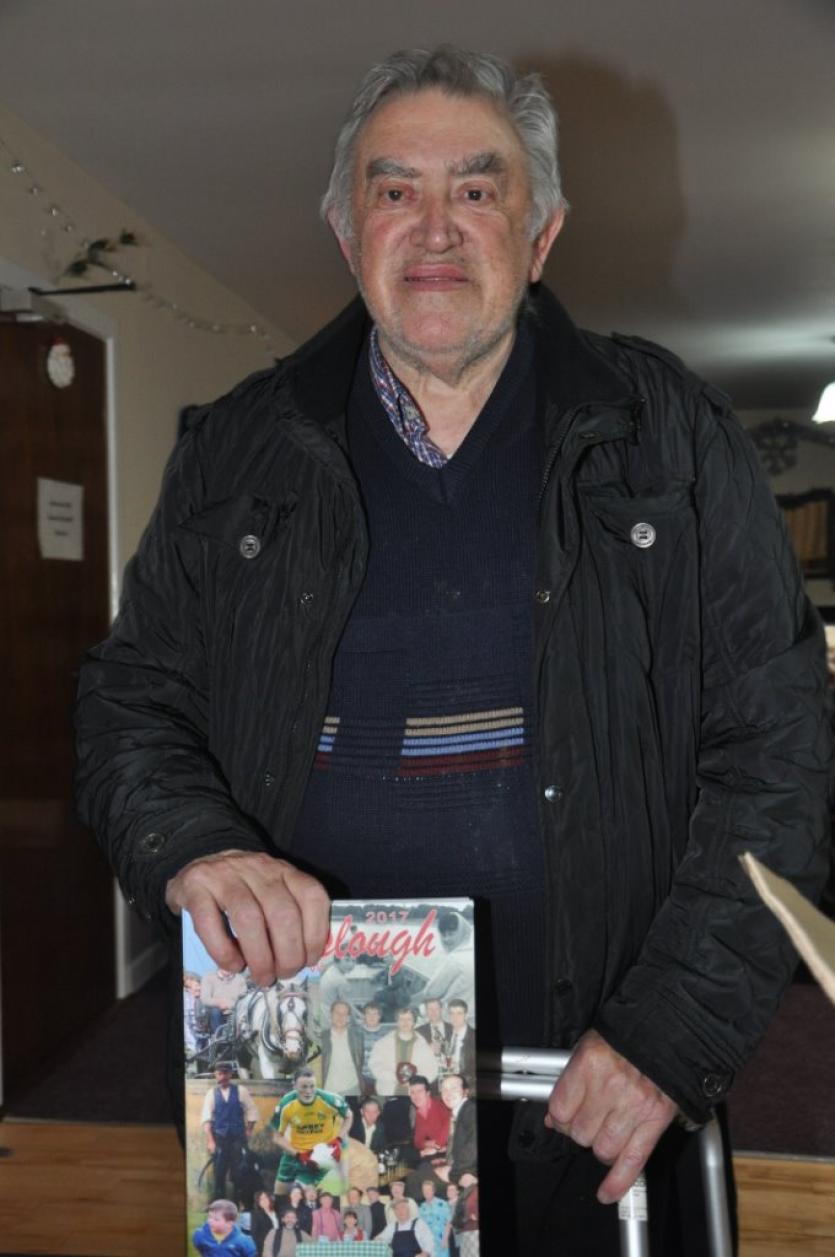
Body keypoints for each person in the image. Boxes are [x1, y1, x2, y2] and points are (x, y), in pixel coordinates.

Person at [75, 43, 831, 1257]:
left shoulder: (670, 438)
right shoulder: (236, 449)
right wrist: (191, 842)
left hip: (595, 1084)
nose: (434, 228)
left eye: (477, 190)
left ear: (540, 236)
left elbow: (779, 753)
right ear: (347, 234)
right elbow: (132, 702)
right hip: (313, 1075)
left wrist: (668, 1033)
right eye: (394, 190)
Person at [270, 1067, 352, 1196]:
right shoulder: (285, 1104)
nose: (308, 1091)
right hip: (295, 1155)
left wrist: (338, 1139)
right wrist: (299, 1155)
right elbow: (276, 1136)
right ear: (294, 1085)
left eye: (312, 1086)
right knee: (280, 1194)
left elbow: (349, 1116)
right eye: (303, 1087)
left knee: (326, 1196)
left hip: (324, 1156)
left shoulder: (330, 1099)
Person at [201, 1063, 259, 1203]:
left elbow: (252, 1111)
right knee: (219, 1173)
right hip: (220, 1139)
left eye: (225, 1073)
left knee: (239, 1172)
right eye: (219, 1074)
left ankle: (237, 1203)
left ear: (230, 1074)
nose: (223, 1077)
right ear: (215, 1075)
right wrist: (211, 1141)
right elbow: (206, 1119)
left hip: (238, 1139)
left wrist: (248, 1130)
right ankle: (219, 1204)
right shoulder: (211, 1093)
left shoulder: (241, 1091)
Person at [368, 1008, 439, 1096]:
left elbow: (431, 1069)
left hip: (415, 1094)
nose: (405, 1023)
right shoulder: (383, 1043)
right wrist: (395, 1077)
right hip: (388, 1091)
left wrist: (415, 1081)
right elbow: (375, 1064)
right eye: (402, 1019)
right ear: (397, 1021)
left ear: (414, 1022)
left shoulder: (422, 1044)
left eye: (409, 1019)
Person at [321, 999, 365, 1097]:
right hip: (328, 1091)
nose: (340, 1017)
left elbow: (360, 1061)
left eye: (344, 1014)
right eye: (337, 1013)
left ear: (348, 1018)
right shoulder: (321, 1038)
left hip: (352, 1090)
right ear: (331, 1015)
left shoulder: (358, 1037)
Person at [192, 1199, 257, 1256]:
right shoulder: (200, 1235)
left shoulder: (244, 1241)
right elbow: (200, 1249)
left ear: (229, 1223)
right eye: (210, 1217)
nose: (210, 1221)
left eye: (216, 1219)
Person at [201, 967, 248, 1035]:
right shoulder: (208, 977)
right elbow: (205, 999)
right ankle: (219, 1037)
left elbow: (244, 998)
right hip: (217, 1012)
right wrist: (218, 1003)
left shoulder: (240, 979)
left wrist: (228, 1004)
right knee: (215, 1012)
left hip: (236, 1011)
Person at [418, 1179, 451, 1257]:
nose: (426, 1192)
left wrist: (445, 1239)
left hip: (441, 1242)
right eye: (424, 1190)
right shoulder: (421, 1208)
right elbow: (420, 1227)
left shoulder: (443, 1204)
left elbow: (448, 1223)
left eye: (429, 1190)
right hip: (427, 1245)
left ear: (433, 1191)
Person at [250, 1189, 279, 1255]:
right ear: (258, 1202)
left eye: (266, 1198)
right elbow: (254, 1234)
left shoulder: (277, 1213)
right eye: (261, 1199)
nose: (264, 1201)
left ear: (270, 1199)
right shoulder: (256, 1215)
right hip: (264, 1249)